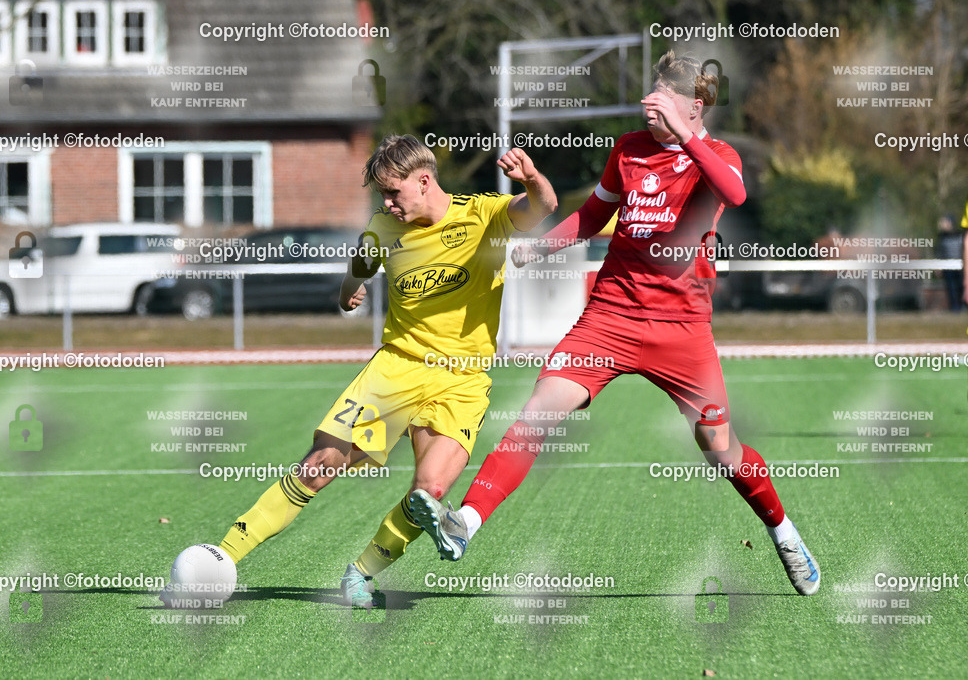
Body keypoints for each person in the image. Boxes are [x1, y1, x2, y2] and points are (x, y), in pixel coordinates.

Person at [410, 52, 821, 596]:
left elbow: (734, 193)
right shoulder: (627, 149)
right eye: (650, 95)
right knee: (537, 413)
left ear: (695, 107)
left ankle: (784, 531)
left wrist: (684, 136)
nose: (649, 105)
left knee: (722, 449)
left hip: (682, 328)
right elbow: (594, 215)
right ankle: (467, 520)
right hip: (611, 316)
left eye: (664, 99)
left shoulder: (717, 155)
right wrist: (541, 248)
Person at [207, 134, 556, 608]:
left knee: (428, 495)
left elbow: (544, 205)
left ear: (425, 181)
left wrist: (532, 177)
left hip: (463, 380)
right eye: (382, 195)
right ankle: (222, 556)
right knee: (320, 466)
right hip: (395, 369)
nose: (387, 204)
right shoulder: (382, 228)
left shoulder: (483, 215)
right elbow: (360, 266)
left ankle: (361, 574)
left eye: (394, 193)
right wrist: (349, 290)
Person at [935, 213, 964, 311]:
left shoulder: (960, 236)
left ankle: (961, 307)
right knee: (951, 288)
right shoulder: (941, 238)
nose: (942, 224)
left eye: (945, 222)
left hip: (960, 267)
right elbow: (939, 253)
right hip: (948, 267)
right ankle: (954, 308)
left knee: (961, 287)